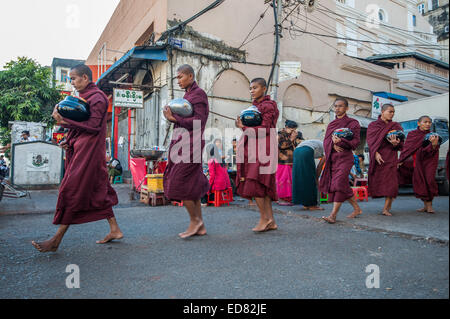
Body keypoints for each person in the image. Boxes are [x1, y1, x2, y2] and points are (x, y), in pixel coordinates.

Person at [32, 64, 123, 253]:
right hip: (82, 150)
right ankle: (115, 229)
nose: (71, 82)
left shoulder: (97, 98)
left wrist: (63, 121)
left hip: (89, 153)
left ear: (85, 78)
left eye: (73, 78)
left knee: (72, 190)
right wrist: (68, 140)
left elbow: (93, 127)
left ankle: (56, 240)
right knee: (98, 189)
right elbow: (80, 126)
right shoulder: (84, 98)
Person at [163, 64, 210, 238]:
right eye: (177, 77)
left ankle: (194, 222)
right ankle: (200, 225)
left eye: (181, 76)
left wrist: (174, 118)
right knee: (192, 184)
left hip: (192, 143)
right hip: (182, 142)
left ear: (191, 76)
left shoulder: (198, 95)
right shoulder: (188, 95)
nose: (178, 80)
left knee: (180, 182)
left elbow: (198, 122)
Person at [235, 78, 279, 232]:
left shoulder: (268, 106)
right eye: (250, 88)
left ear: (264, 89)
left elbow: (265, 128)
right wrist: (243, 126)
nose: (252, 91)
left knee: (256, 182)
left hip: (264, 146)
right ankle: (271, 220)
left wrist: (243, 127)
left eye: (255, 87)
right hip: (255, 146)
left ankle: (264, 219)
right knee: (261, 184)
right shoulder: (255, 107)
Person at [320, 97, 362, 224]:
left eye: (340, 106)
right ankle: (357, 209)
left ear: (347, 108)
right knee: (343, 185)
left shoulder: (353, 123)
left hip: (345, 159)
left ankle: (333, 215)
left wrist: (342, 141)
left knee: (338, 184)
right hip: (333, 159)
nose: (337, 108)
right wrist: (332, 145)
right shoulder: (332, 124)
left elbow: (355, 142)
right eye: (336, 106)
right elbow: (326, 141)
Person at [367, 103, 404, 216]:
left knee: (391, 184)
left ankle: (386, 209)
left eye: (393, 112)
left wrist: (395, 144)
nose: (392, 114)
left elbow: (402, 144)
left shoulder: (396, 126)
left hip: (391, 157)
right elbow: (370, 141)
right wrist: (375, 153)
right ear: (382, 112)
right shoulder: (374, 125)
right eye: (390, 111)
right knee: (378, 182)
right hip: (378, 158)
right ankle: (386, 207)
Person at [398, 115, 440, 213]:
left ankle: (430, 205)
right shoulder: (412, 134)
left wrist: (433, 145)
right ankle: (426, 205)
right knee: (421, 182)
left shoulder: (433, 135)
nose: (428, 124)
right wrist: (401, 160)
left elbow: (435, 150)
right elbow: (407, 149)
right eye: (425, 122)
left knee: (429, 181)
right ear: (419, 123)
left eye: (429, 122)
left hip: (429, 162)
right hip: (417, 162)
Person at [292, 139, 325, 210]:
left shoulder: (321, 145)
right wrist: (316, 178)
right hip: (306, 150)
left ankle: (305, 203)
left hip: (296, 151)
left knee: (300, 177)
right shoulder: (328, 149)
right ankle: (312, 205)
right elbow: (320, 166)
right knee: (310, 178)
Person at [276, 120, 299, 205]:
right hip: (283, 162)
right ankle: (281, 199)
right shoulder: (280, 135)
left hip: (291, 162)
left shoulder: (290, 135)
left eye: (295, 130)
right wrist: (292, 138)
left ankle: (288, 199)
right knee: (283, 181)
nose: (294, 132)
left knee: (290, 181)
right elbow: (282, 146)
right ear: (286, 128)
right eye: (292, 130)